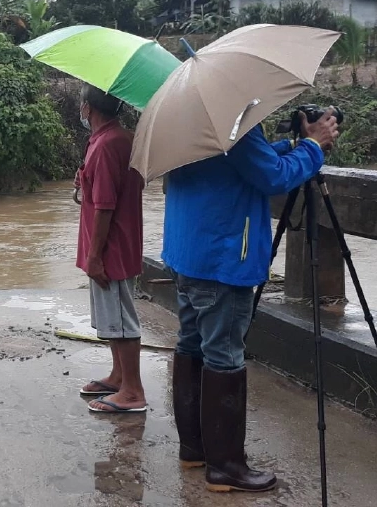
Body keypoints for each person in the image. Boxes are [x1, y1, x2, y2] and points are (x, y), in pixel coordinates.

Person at [163, 108, 339, 492]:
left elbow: (244, 160)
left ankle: (194, 448)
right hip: (222, 257)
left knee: (191, 343)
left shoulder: (187, 116)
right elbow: (273, 177)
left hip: (187, 251)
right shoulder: (233, 120)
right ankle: (225, 466)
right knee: (224, 354)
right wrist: (313, 146)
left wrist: (290, 145)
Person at [76, 85, 147, 414]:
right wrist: (84, 179)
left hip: (111, 247)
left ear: (88, 108)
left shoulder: (106, 145)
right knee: (113, 317)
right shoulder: (119, 138)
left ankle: (132, 392)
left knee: (121, 319)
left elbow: (105, 205)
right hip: (118, 241)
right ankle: (119, 377)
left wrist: (95, 257)